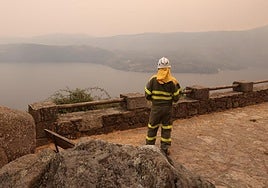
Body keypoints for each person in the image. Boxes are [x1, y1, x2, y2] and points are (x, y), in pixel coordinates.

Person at [145, 57, 181, 155]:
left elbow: (147, 94)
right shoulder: (173, 81)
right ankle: (165, 148)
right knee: (166, 128)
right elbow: (176, 97)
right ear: (169, 69)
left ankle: (149, 147)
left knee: (152, 127)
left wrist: (154, 100)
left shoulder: (152, 80)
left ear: (158, 69)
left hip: (155, 108)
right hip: (167, 109)